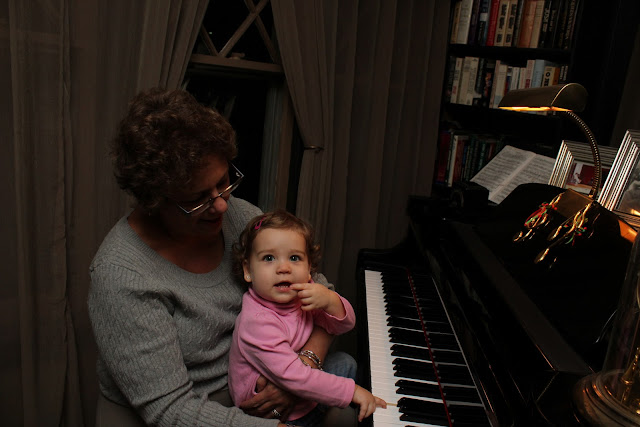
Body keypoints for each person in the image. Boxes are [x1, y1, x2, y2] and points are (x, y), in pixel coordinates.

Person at [88, 87, 351, 427]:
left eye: (224, 182)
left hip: (259, 382)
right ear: (154, 200)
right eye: (198, 199)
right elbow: (171, 410)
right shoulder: (121, 274)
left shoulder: (240, 217)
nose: (222, 205)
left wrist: (302, 369)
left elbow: (320, 291)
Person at [229, 211, 386, 426]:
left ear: (309, 268)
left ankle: (323, 412)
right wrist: (352, 392)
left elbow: (345, 325)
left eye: (294, 258)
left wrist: (330, 301)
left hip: (301, 388)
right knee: (348, 392)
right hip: (274, 413)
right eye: (269, 258)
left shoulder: (305, 293)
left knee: (346, 363)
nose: (284, 268)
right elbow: (295, 375)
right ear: (248, 270)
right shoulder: (256, 322)